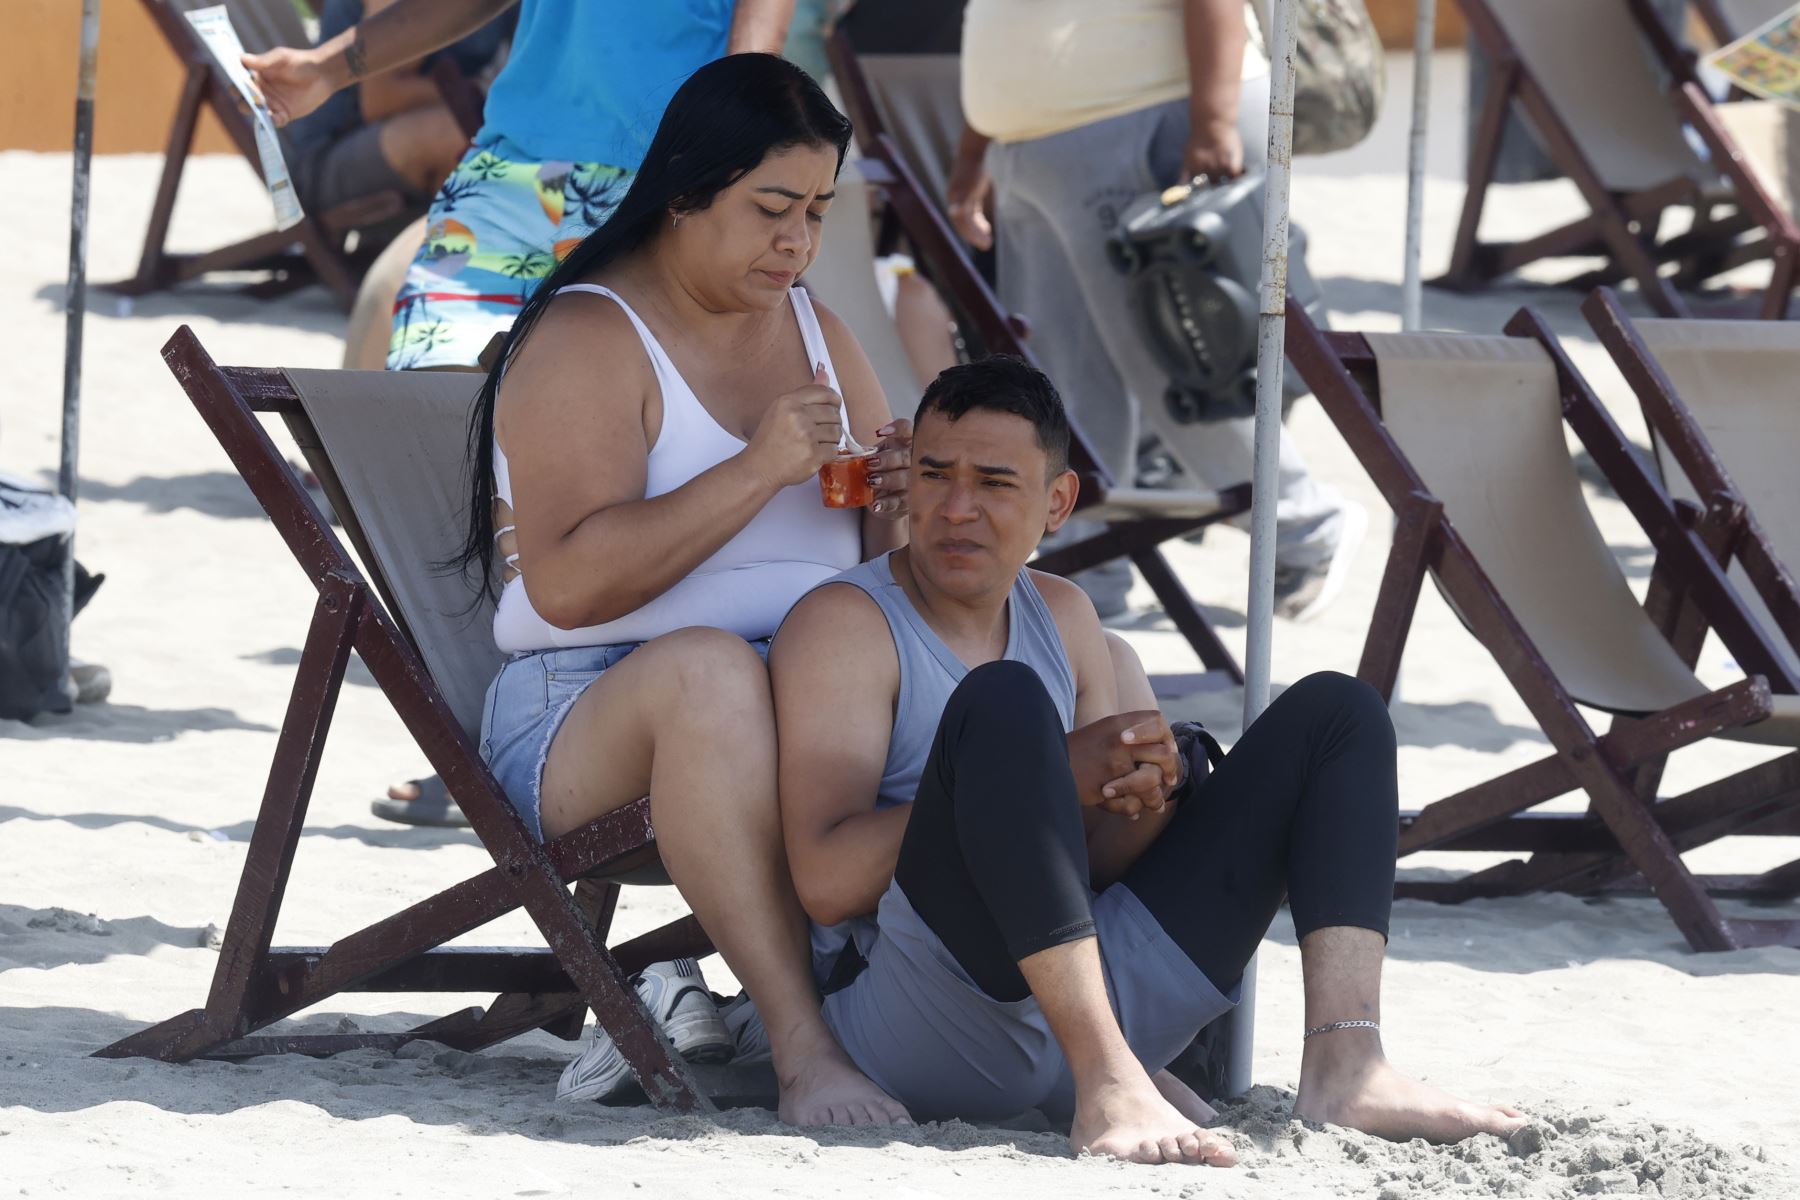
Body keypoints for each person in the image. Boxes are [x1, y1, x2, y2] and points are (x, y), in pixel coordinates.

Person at [769, 356, 1527, 1162]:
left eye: (994, 483)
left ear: (1056, 503)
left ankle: (1348, 1065)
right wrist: (1054, 770)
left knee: (1340, 715)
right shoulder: (846, 623)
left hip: (1092, 988)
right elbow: (822, 884)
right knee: (1002, 704)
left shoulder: (1064, 613)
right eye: (934, 475)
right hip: (929, 1011)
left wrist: (1142, 798)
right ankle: (1108, 1086)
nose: (958, 509)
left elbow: (1093, 867)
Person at [445, 53, 911, 1123]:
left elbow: (879, 563)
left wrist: (900, 503)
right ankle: (802, 1048)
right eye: (771, 209)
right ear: (685, 192)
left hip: (801, 696)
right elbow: (566, 586)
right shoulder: (589, 338)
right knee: (709, 675)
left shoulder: (817, 334)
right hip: (591, 709)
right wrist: (752, 470)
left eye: (819, 212)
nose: (797, 241)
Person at [246, 0, 796, 826]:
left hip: (666, 177)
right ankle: (481, 736)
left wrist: (734, 172)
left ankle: (582, 743)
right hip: (514, 173)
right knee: (424, 436)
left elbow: (762, 29)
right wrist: (332, 66)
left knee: (635, 468)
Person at [946, 0, 1364, 622]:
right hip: (1034, 147)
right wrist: (979, 145)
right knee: (1061, 382)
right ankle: (1090, 571)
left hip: (1145, 124)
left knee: (1174, 368)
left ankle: (1305, 527)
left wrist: (1213, 121)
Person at [279, 0, 509, 226]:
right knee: (467, 139)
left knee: (504, 133)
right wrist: (483, 91)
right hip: (330, 158)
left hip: (419, 123)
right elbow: (381, 99)